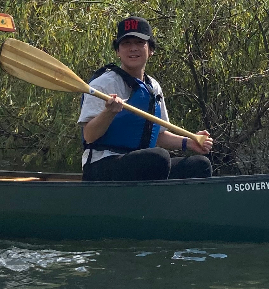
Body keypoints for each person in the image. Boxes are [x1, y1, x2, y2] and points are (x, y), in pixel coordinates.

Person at [79, 16, 214, 181]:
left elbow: (158, 135)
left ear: (150, 49)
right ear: (118, 51)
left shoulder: (153, 87)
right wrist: (109, 112)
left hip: (140, 162)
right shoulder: (102, 85)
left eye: (139, 43)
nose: (133, 48)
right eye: (126, 44)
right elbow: (89, 135)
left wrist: (189, 142)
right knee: (158, 158)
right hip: (102, 165)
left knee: (199, 164)